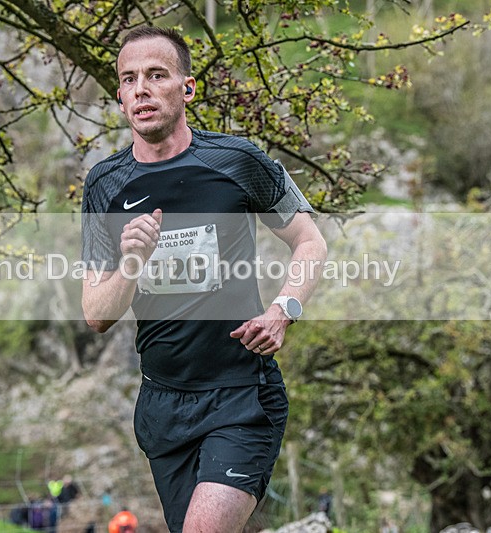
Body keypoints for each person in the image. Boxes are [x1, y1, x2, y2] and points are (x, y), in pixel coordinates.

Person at [81, 25, 327, 533]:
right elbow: (97, 313)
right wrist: (133, 261)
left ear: (187, 88)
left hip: (241, 393)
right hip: (163, 403)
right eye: (129, 80)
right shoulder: (104, 183)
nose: (142, 89)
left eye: (157, 75)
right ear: (121, 97)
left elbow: (310, 241)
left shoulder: (237, 161)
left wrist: (284, 310)